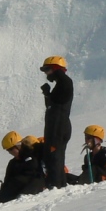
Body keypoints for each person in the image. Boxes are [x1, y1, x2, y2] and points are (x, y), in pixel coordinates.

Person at [40, 55, 73, 189]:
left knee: (55, 156)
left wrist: (49, 94)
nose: (46, 74)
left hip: (58, 127)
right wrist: (47, 94)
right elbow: (53, 102)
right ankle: (56, 184)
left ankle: (57, 185)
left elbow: (57, 103)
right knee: (53, 156)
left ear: (55, 69)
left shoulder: (65, 82)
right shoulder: (60, 85)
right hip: (55, 127)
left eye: (48, 70)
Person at [0, 131, 46, 204]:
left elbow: (34, 174)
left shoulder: (32, 155)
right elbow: (7, 181)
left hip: (33, 187)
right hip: (17, 190)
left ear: (18, 146)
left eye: (11, 149)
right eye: (8, 150)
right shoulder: (12, 163)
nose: (10, 152)